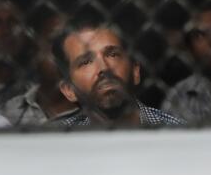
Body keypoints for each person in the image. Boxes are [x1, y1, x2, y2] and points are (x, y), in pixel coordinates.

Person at [51, 17, 183, 129]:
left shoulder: (176, 134)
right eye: (86, 62)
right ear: (69, 90)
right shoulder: (56, 142)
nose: (104, 68)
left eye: (113, 55)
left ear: (135, 70)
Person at [0, 10, 80, 126]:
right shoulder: (7, 112)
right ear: (34, 49)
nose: (64, 54)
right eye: (54, 42)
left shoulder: (96, 113)